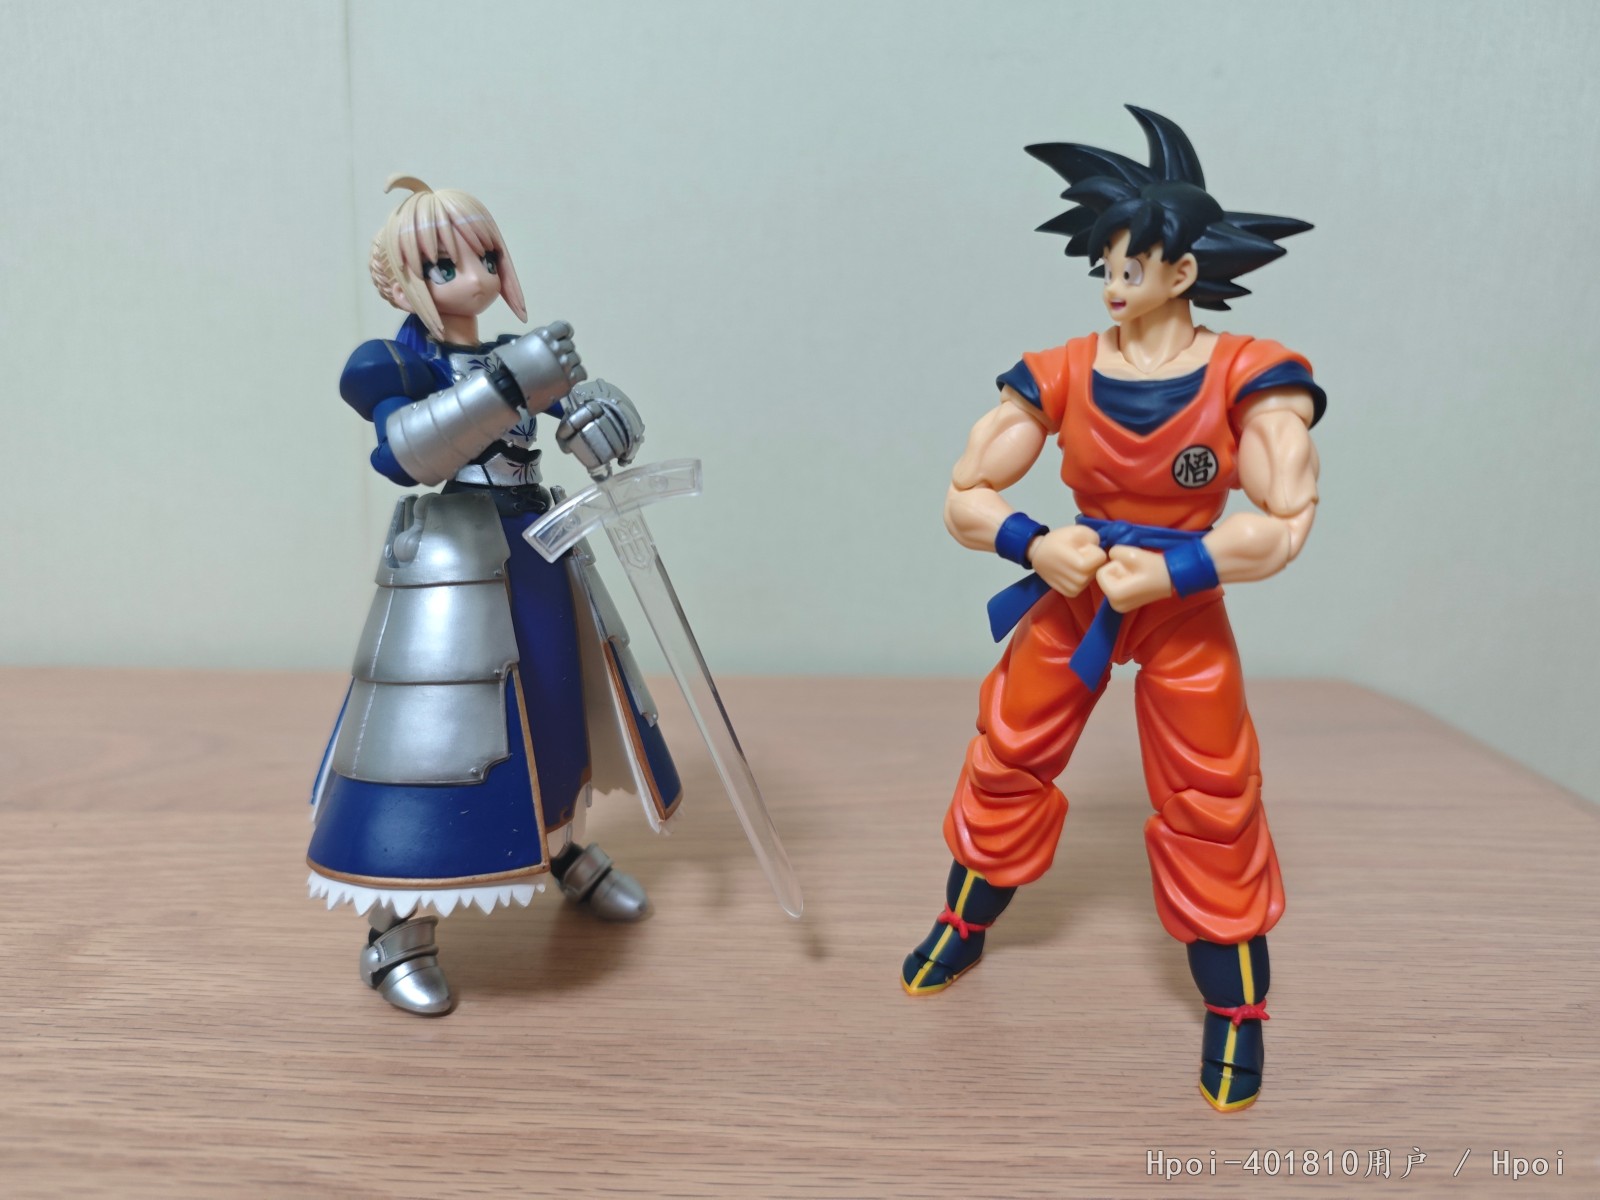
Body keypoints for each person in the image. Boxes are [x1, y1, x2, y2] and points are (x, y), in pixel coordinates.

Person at [900, 109, 1324, 1111]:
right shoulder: (1060, 370)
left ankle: (1236, 1008)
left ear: (1184, 270)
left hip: (1181, 604)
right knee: (1008, 754)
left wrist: (1177, 573)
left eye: (1131, 265)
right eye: (1106, 264)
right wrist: (1035, 543)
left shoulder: (1250, 374)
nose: (1112, 283)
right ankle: (964, 922)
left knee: (1211, 795)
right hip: (1076, 586)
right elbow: (965, 495)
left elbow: (1284, 522)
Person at [307, 177, 681, 1016]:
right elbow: (409, 454)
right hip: (453, 563)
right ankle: (397, 930)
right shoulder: (398, 364)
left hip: (538, 546)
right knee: (435, 736)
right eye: (445, 266)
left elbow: (576, 417)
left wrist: (601, 418)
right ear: (406, 283)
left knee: (559, 706)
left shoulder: (513, 348)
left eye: (486, 256)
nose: (474, 277)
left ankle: (562, 850)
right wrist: (509, 386)